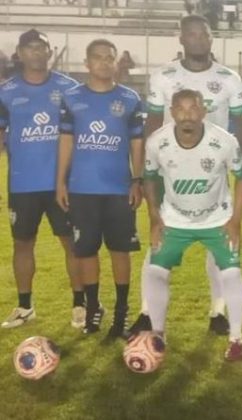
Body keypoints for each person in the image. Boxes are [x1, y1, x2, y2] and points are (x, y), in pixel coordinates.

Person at [131, 14, 242, 336]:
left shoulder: (229, 78)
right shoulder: (163, 76)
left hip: (213, 166)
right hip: (168, 166)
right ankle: (147, 312)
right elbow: (152, 123)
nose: (198, 39)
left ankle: (218, 311)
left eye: (204, 34)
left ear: (211, 38)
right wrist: (140, 171)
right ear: (181, 38)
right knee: (158, 238)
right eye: (192, 34)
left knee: (218, 236)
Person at [142, 89, 242, 361]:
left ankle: (236, 338)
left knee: (232, 274)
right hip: (174, 220)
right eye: (181, 109)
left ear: (204, 111)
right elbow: (149, 178)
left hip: (218, 220)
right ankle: (158, 334)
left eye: (193, 109)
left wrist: (236, 220)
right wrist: (154, 218)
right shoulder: (157, 142)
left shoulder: (224, 141)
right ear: (172, 112)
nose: (187, 115)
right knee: (155, 271)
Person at [55, 39, 145, 337]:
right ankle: (93, 309)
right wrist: (60, 181)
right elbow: (66, 141)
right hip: (82, 189)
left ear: (116, 62)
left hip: (119, 189)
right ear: (87, 63)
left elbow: (137, 143)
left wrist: (136, 180)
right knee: (86, 251)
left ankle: (121, 314)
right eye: (98, 57)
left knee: (120, 251)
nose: (104, 62)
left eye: (110, 57)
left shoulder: (130, 98)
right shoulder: (71, 98)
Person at [0, 29, 82, 329]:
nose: (36, 52)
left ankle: (80, 305)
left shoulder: (70, 89)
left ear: (50, 52)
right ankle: (24, 307)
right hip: (23, 184)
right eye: (30, 47)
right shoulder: (5, 92)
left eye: (41, 47)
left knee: (71, 243)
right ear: (20, 53)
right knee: (22, 243)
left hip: (63, 184)